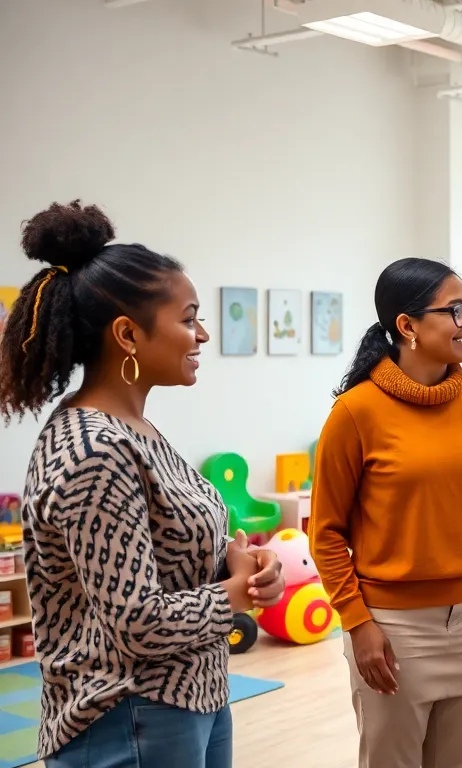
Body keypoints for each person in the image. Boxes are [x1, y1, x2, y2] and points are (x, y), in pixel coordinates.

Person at [0, 201, 284, 767]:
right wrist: (236, 595)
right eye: (188, 318)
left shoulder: (137, 429)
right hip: (127, 713)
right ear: (128, 334)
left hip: (190, 699)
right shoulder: (94, 451)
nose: (202, 334)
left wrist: (240, 564)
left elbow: (170, 548)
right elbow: (139, 623)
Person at [308, 258, 462, 768]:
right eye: (455, 310)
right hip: (393, 631)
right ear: (407, 326)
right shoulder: (354, 413)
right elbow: (326, 532)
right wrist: (358, 623)